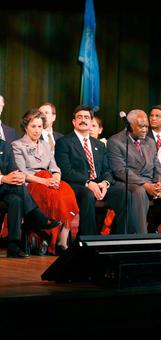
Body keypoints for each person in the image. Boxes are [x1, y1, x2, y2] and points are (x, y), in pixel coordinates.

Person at [106, 109, 161, 235]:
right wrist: (145, 185)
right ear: (129, 125)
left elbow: (157, 166)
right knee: (139, 192)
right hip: (127, 183)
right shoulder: (116, 141)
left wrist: (160, 183)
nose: (145, 130)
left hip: (150, 182)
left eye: (146, 126)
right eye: (140, 126)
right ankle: (141, 238)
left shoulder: (149, 142)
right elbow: (120, 171)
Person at [11, 109, 79, 254]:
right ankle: (49, 237)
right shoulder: (17, 145)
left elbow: (55, 167)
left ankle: (62, 238)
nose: (37, 130)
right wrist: (45, 182)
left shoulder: (46, 145)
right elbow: (22, 173)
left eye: (40, 127)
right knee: (54, 196)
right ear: (25, 127)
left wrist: (56, 178)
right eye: (33, 126)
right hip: (32, 182)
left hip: (48, 180)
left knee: (67, 192)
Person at [55, 104, 113, 236]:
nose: (83, 120)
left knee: (123, 194)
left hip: (98, 184)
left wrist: (105, 183)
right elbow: (66, 171)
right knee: (88, 194)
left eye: (86, 117)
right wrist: (88, 183)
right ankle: (87, 239)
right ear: (73, 122)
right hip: (76, 184)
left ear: (91, 121)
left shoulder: (99, 144)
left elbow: (106, 169)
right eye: (79, 117)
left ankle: (121, 240)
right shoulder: (64, 142)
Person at [0, 139, 61, 258]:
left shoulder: (4, 145)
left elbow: (13, 170)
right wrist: (2, 179)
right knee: (17, 188)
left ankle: (13, 247)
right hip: (3, 184)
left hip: (6, 189)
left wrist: (17, 177)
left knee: (16, 199)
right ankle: (37, 216)